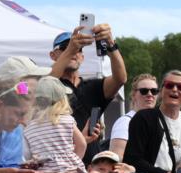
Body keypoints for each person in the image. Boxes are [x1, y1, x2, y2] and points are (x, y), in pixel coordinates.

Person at [48, 24, 127, 162]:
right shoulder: (49, 84)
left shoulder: (93, 86)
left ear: (82, 57)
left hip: (92, 167)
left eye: (77, 49)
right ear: (53, 56)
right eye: (65, 48)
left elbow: (121, 79)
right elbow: (46, 82)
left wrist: (110, 44)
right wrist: (71, 49)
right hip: (61, 166)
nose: (73, 52)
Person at [123, 70, 181, 173]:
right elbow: (133, 159)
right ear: (162, 91)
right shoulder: (143, 118)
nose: (174, 89)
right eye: (169, 85)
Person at [22, 77, 90, 173]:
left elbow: (28, 157)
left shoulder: (28, 127)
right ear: (62, 99)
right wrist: (74, 161)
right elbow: (82, 144)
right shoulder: (67, 120)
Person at [109, 73, 158, 157]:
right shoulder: (125, 122)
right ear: (134, 95)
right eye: (144, 91)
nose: (150, 94)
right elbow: (116, 159)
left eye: (154, 91)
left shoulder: (159, 123)